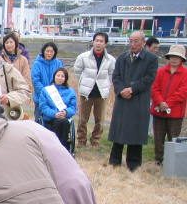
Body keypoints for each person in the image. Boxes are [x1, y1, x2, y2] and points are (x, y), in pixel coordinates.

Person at [108, 31, 158, 171]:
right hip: (122, 99)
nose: (133, 44)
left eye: (136, 41)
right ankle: (114, 161)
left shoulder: (151, 59)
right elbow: (116, 76)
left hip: (139, 99)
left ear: (143, 42)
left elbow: (149, 79)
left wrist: (132, 89)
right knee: (119, 130)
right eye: (131, 41)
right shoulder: (122, 57)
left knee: (135, 132)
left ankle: (133, 164)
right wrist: (121, 90)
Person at [73, 32, 116, 147]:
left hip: (101, 94)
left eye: (101, 41)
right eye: (96, 40)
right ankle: (81, 140)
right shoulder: (83, 57)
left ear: (105, 44)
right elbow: (77, 71)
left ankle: (95, 140)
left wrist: (106, 85)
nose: (98, 43)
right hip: (86, 93)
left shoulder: (110, 60)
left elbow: (112, 74)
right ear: (93, 42)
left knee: (100, 120)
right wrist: (83, 82)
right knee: (83, 118)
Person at [149, 44, 187, 165]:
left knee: (173, 139)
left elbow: (182, 93)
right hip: (158, 111)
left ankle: (172, 162)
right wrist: (160, 102)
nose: (174, 59)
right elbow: (154, 89)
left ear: (182, 59)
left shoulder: (185, 73)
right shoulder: (160, 71)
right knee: (158, 138)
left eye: (177, 57)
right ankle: (158, 160)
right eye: (172, 56)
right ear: (168, 57)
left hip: (175, 113)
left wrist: (167, 104)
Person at [38, 68, 77, 151]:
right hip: (49, 118)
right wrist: (54, 114)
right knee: (60, 122)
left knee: (62, 122)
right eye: (58, 75)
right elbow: (43, 106)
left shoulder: (70, 92)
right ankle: (60, 147)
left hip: (64, 118)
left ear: (65, 78)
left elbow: (73, 108)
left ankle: (59, 147)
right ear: (54, 77)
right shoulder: (46, 90)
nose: (60, 78)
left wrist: (66, 112)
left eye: (62, 76)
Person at [30, 42, 64, 120]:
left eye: (51, 51)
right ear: (43, 51)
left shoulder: (58, 63)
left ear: (54, 52)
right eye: (47, 51)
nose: (49, 53)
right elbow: (36, 81)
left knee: (55, 122)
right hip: (40, 97)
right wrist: (46, 93)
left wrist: (54, 93)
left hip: (55, 98)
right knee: (39, 121)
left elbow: (62, 78)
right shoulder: (37, 64)